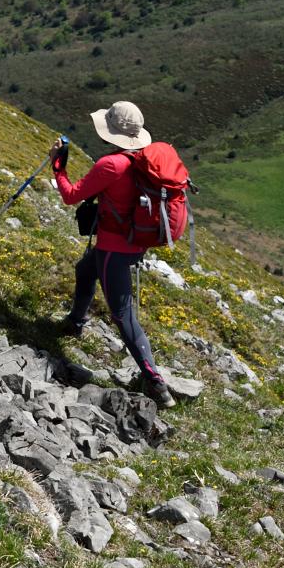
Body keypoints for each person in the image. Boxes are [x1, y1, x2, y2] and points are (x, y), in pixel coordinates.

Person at [51, 100, 175, 407]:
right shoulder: (141, 161)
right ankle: (74, 324)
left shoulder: (111, 164)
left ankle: (156, 382)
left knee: (123, 315)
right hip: (134, 242)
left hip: (113, 248)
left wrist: (58, 165)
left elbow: (70, 196)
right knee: (85, 270)